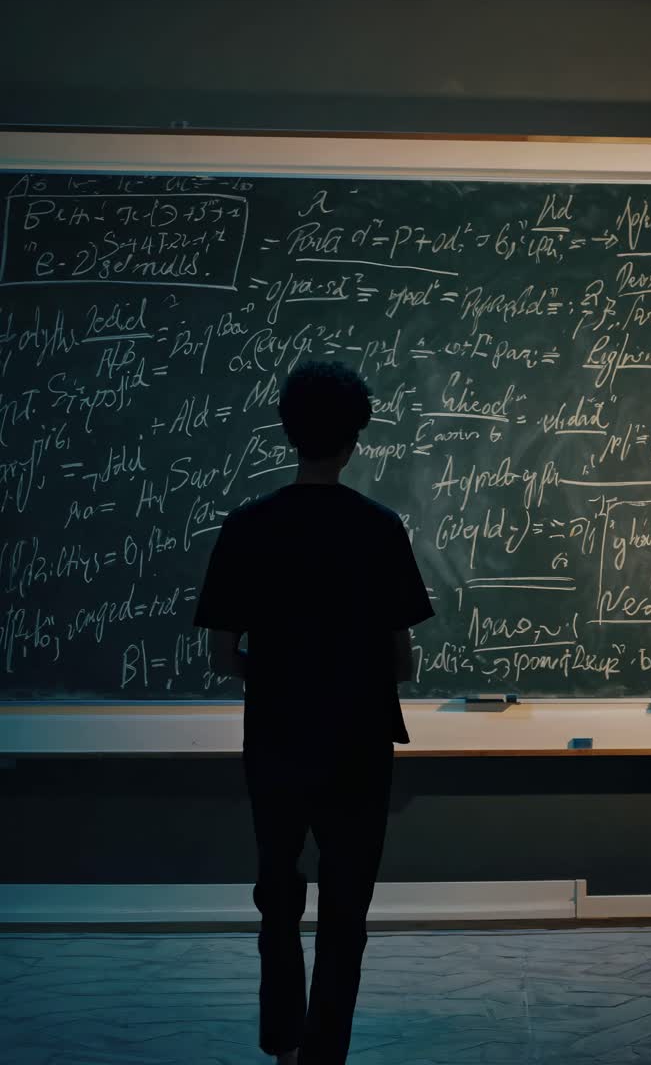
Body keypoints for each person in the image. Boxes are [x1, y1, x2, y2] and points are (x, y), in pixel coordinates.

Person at [194, 359, 434, 1065]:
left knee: (277, 890)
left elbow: (221, 654)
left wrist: (271, 680)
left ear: (287, 431)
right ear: (354, 438)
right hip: (359, 738)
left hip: (275, 735)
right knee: (347, 903)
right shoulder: (379, 527)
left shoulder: (248, 525)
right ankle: (326, 1049)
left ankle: (282, 1042)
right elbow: (401, 655)